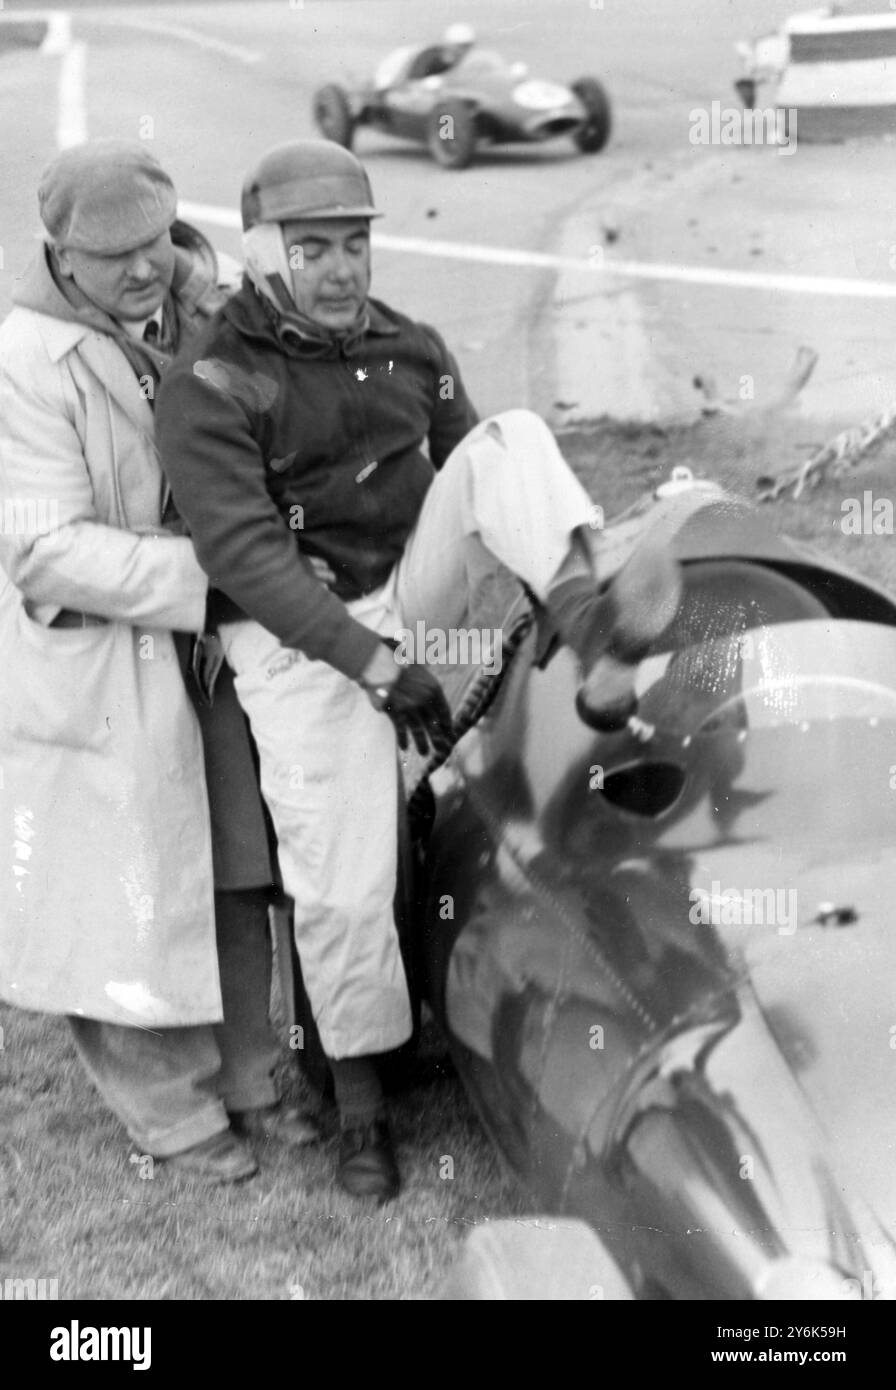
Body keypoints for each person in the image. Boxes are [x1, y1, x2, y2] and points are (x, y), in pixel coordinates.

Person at [155, 139, 681, 1201]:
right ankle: (358, 1104)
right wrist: (378, 665)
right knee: (340, 880)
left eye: (353, 244)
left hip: (401, 583)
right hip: (292, 630)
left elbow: (479, 468)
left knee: (508, 438)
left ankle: (593, 637)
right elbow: (245, 557)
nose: (342, 270)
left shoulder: (409, 342)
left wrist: (432, 627)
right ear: (261, 255)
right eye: (313, 250)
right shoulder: (210, 378)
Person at [0, 139, 318, 1185]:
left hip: (217, 644)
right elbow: (43, 547)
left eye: (156, 242)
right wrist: (208, 575)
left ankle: (248, 1079)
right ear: (60, 256)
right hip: (110, 654)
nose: (145, 268)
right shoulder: (23, 361)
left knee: (234, 859)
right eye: (116, 256)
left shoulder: (211, 303)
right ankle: (170, 1117)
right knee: (128, 887)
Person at [373, 22, 476, 91]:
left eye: (467, 47)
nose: (463, 51)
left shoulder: (450, 59)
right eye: (461, 46)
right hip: (391, 76)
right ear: (450, 44)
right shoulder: (431, 56)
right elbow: (412, 80)